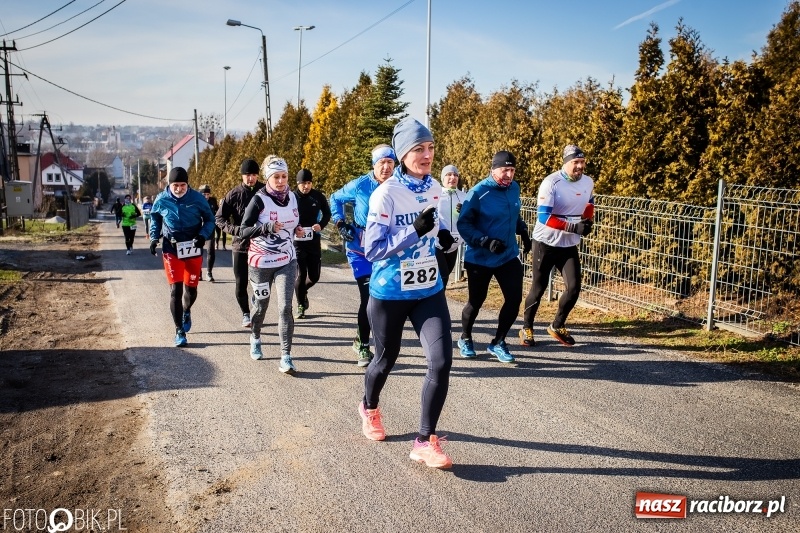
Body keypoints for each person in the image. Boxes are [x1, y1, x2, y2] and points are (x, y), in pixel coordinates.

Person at [358, 117, 455, 469]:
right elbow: (373, 250)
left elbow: (436, 224)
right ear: (402, 154)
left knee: (441, 362)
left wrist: (442, 236)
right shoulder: (385, 194)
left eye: (430, 147)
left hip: (428, 289)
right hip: (390, 292)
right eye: (418, 149)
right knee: (385, 360)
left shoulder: (435, 188)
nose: (427, 155)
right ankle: (369, 407)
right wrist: (413, 231)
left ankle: (425, 441)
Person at [456, 150, 532, 364]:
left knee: (514, 299)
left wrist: (524, 232)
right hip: (480, 258)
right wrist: (485, 241)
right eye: (504, 170)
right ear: (493, 170)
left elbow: (513, 213)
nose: (509, 174)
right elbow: (464, 224)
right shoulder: (478, 192)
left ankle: (498, 341)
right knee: (476, 301)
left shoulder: (514, 188)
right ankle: (465, 337)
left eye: (512, 170)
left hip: (507, 255)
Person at [520, 144, 595, 347]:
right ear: (566, 163)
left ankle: (557, 325)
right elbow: (544, 217)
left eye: (582, 162)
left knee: (574, 288)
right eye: (575, 162)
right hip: (545, 242)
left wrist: (588, 222)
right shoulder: (551, 182)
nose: (580, 166)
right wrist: (574, 227)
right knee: (539, 287)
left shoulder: (588, 181)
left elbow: (589, 204)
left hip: (568, 244)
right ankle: (526, 327)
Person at [330, 144, 396, 366]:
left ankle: (364, 337)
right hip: (361, 249)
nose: (386, 167)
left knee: (385, 299)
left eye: (390, 162)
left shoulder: (399, 185)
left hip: (386, 249)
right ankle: (364, 345)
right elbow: (335, 198)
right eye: (382, 163)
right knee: (368, 298)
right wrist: (340, 223)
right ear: (374, 164)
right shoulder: (360, 184)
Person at [240, 156, 305, 374]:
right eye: (276, 177)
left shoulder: (293, 197)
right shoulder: (259, 200)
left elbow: (294, 221)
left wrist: (297, 229)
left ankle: (286, 356)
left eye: (284, 176)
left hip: (286, 259)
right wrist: (266, 227)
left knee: (285, 307)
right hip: (261, 262)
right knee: (261, 306)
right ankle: (255, 337)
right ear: (268, 178)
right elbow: (243, 230)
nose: (280, 181)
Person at [148, 167, 216, 347]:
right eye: (175, 185)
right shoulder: (161, 199)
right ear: (169, 185)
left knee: (191, 289)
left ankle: (186, 310)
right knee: (175, 290)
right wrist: (154, 238)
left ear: (187, 184)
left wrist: (203, 235)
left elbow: (210, 220)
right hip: (171, 248)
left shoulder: (197, 199)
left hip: (193, 246)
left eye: (182, 185)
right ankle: (179, 330)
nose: (179, 189)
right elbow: (155, 218)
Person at [216, 159, 265, 328]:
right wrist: (234, 230)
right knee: (241, 282)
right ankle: (245, 313)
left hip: (262, 245)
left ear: (258, 175)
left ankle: (256, 299)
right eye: (247, 175)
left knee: (262, 282)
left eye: (254, 175)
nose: (250, 178)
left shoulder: (266, 191)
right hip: (241, 245)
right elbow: (219, 218)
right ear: (242, 176)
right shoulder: (234, 194)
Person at [292, 169, 331, 319]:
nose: (306, 186)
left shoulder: (318, 196)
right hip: (298, 243)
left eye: (309, 183)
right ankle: (300, 305)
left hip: (313, 242)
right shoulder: (291, 198)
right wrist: (295, 228)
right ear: (298, 183)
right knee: (301, 275)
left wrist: (321, 225)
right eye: (303, 183)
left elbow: (327, 213)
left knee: (314, 277)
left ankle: (303, 291)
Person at [436, 164, 467, 285]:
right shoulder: (435, 195)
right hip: (437, 244)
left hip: (454, 245)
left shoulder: (464, 197)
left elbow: (472, 218)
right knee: (442, 277)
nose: (452, 177)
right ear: (442, 178)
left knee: (446, 276)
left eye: (455, 175)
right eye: (449, 175)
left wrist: (465, 211)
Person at [199, 185, 219, 282]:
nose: (206, 196)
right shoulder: (196, 201)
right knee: (198, 252)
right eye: (204, 194)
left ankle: (209, 272)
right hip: (199, 229)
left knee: (211, 251)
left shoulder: (213, 201)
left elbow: (218, 212)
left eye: (208, 194)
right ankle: (198, 272)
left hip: (210, 229)